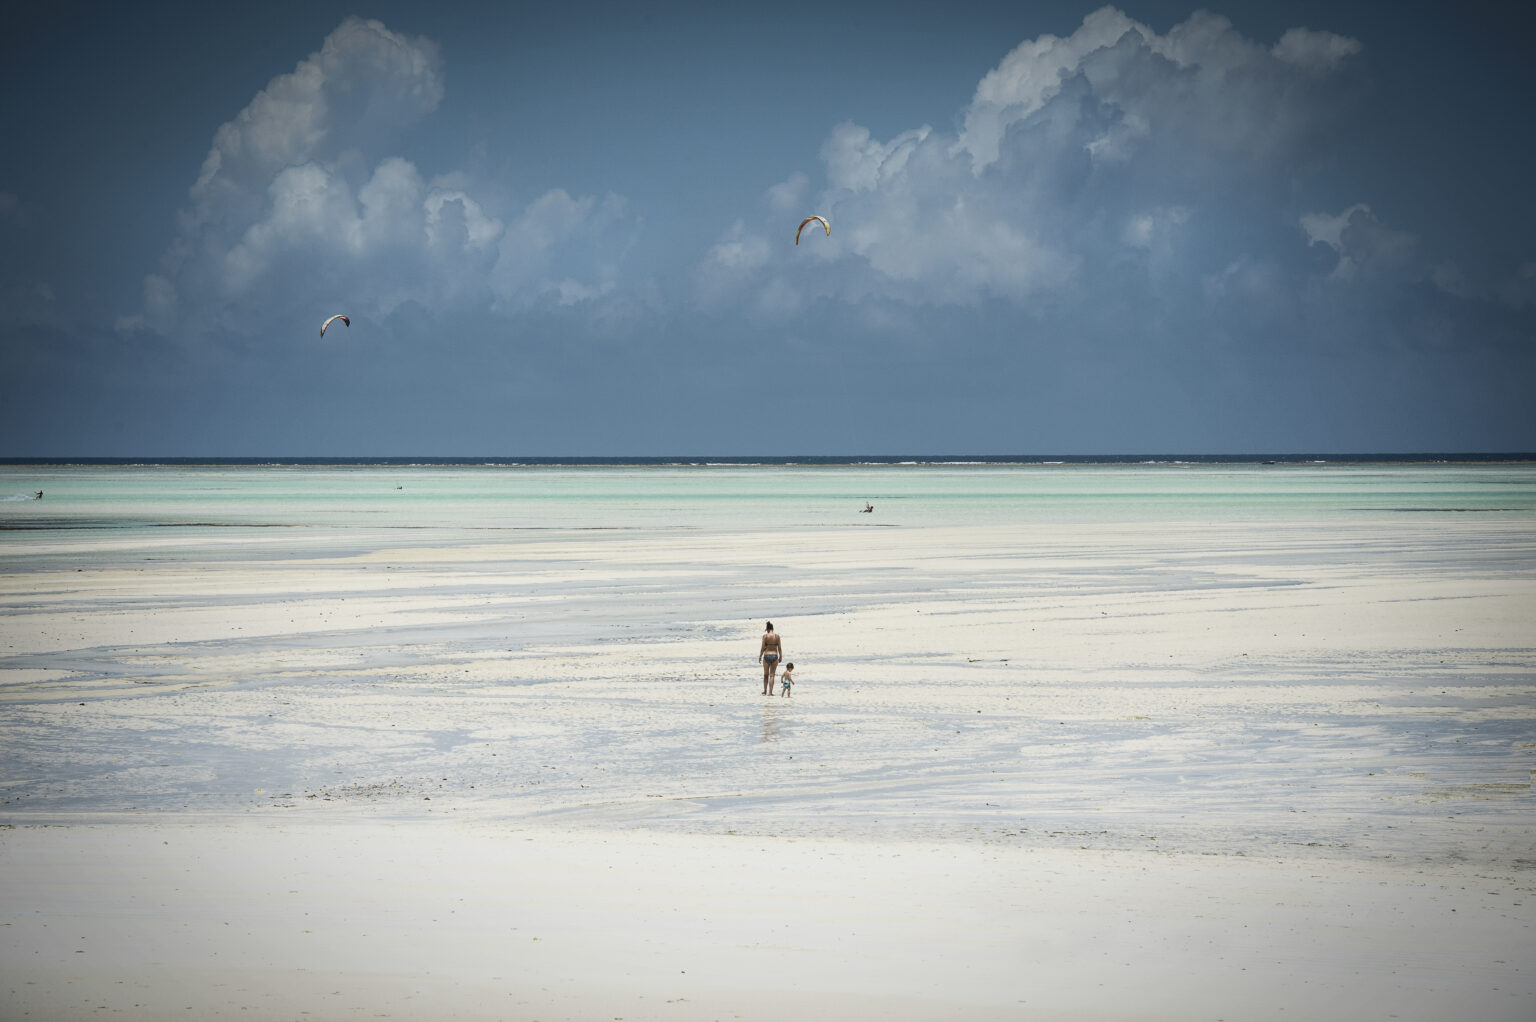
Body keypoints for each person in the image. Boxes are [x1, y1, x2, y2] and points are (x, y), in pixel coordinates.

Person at [759, 621, 783, 695]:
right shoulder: (777, 636)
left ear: (767, 629)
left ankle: (765, 691)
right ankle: (770, 692)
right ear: (773, 629)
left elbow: (763, 647)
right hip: (775, 655)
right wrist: (781, 656)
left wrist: (760, 656)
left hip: (766, 655)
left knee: (765, 675)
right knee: (772, 675)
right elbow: (779, 648)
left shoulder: (765, 636)